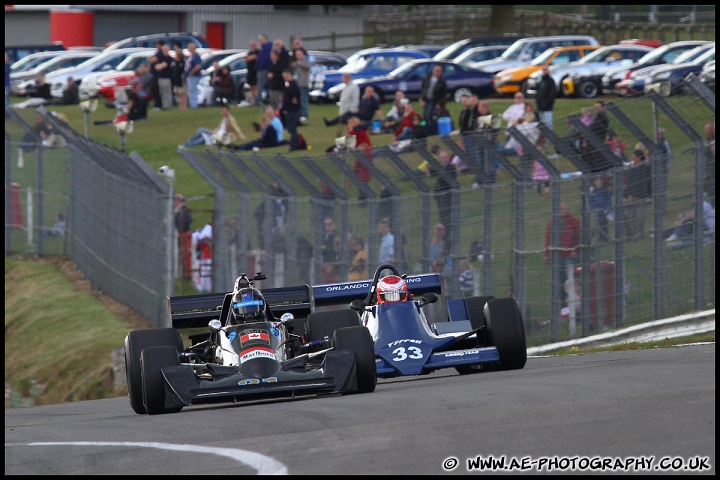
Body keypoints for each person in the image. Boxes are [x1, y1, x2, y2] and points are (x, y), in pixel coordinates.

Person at [544, 202, 581, 306]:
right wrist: (547, 254)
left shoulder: (574, 222)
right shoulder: (552, 224)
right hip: (556, 257)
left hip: (569, 257)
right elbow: (548, 239)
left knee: (569, 280)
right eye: (560, 209)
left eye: (563, 209)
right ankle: (563, 306)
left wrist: (576, 250)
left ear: (567, 210)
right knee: (558, 282)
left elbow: (580, 237)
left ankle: (573, 304)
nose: (562, 211)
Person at [179, 106, 246, 148]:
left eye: (224, 110)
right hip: (215, 133)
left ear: (228, 111)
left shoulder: (230, 119)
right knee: (200, 130)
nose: (222, 112)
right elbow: (219, 127)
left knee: (202, 139)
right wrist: (213, 132)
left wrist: (241, 136)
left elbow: (236, 128)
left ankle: (186, 145)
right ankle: (186, 143)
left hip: (220, 137)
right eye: (222, 110)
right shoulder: (224, 118)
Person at [623, 149, 652, 241]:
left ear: (639, 158)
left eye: (634, 157)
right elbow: (628, 183)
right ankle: (633, 235)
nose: (632, 159)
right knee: (631, 216)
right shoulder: (632, 169)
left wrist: (649, 195)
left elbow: (649, 182)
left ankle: (639, 235)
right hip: (632, 195)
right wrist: (625, 195)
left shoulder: (646, 169)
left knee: (640, 218)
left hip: (641, 196)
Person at [434, 147, 456, 249]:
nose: (444, 159)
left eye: (445, 157)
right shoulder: (441, 168)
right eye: (442, 158)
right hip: (440, 197)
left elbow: (446, 180)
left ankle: (447, 237)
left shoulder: (450, 168)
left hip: (446, 196)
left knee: (447, 218)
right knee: (442, 217)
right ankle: (444, 236)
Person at [420, 64, 447, 136]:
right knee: (425, 115)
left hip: (434, 100)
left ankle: (433, 132)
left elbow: (443, 94)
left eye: (438, 71)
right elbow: (423, 88)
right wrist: (421, 98)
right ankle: (428, 131)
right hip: (426, 99)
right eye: (436, 70)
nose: (437, 72)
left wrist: (439, 103)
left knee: (429, 115)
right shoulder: (427, 77)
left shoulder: (442, 81)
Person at [281, 69, 302, 151]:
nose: (285, 78)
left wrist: (295, 98)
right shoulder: (287, 84)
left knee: (292, 128)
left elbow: (297, 95)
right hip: (288, 109)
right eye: (284, 77)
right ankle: (295, 143)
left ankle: (294, 146)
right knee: (290, 128)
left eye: (286, 76)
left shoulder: (293, 85)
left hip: (293, 110)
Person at [174, 193, 193, 278]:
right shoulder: (178, 210)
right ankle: (182, 272)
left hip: (184, 234)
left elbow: (188, 220)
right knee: (182, 254)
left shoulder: (184, 210)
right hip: (181, 234)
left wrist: (181, 226)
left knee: (186, 255)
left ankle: (187, 274)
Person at [589, 176, 612, 244]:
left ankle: (605, 239)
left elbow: (608, 200)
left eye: (599, 180)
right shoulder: (593, 190)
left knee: (604, 225)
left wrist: (607, 208)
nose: (598, 182)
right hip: (596, 211)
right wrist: (592, 208)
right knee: (597, 225)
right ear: (594, 182)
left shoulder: (605, 190)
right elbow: (591, 201)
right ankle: (599, 239)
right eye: (596, 181)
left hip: (604, 211)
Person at [292, 46, 311, 122]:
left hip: (304, 84)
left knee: (304, 101)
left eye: (299, 54)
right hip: (298, 84)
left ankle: (304, 115)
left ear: (302, 54)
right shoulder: (297, 62)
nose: (297, 56)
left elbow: (307, 66)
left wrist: (298, 63)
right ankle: (300, 114)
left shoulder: (304, 60)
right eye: (296, 54)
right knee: (299, 100)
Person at [193, 223, 213, 292]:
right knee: (204, 272)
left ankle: (207, 287)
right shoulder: (207, 231)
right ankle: (204, 287)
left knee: (207, 273)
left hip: (208, 256)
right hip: (205, 256)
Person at [184, 42, 203, 109]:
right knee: (191, 91)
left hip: (193, 76)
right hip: (190, 76)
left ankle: (194, 105)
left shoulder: (196, 56)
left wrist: (191, 72)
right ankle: (192, 104)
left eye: (189, 47)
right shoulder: (191, 56)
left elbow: (198, 66)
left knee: (193, 91)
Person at [255, 33, 273, 106]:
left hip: (263, 69)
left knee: (260, 85)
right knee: (266, 85)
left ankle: (257, 101)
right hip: (264, 69)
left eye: (260, 40)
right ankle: (268, 100)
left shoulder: (266, 48)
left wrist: (259, 66)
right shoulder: (265, 48)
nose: (259, 41)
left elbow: (265, 59)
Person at [154, 42, 173, 110]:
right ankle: (164, 105)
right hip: (160, 77)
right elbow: (156, 67)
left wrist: (160, 66)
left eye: (165, 49)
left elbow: (163, 66)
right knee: (162, 92)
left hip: (166, 77)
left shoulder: (169, 58)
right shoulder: (161, 58)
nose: (164, 51)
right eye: (163, 50)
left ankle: (168, 105)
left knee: (167, 92)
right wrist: (160, 66)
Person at [320, 216, 338, 284]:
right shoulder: (322, 236)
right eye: (326, 224)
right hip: (323, 264)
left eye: (330, 224)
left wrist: (332, 265)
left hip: (332, 266)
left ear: (334, 225)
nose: (328, 226)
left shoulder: (337, 236)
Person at [170, 42, 186, 111]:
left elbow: (182, 72)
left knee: (183, 94)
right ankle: (180, 106)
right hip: (176, 80)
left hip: (181, 80)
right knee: (179, 94)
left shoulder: (182, 63)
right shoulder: (175, 63)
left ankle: (183, 107)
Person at [244, 40, 260, 106]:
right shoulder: (249, 53)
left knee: (256, 86)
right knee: (251, 86)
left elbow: (257, 57)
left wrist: (250, 58)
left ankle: (257, 100)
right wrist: (250, 58)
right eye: (251, 45)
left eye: (254, 45)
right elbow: (245, 59)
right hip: (250, 72)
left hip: (256, 72)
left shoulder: (258, 52)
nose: (253, 46)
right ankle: (252, 100)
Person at [704, 122, 715, 206]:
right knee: (709, 189)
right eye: (708, 129)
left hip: (712, 168)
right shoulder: (706, 141)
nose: (710, 130)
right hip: (708, 168)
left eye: (711, 128)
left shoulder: (713, 141)